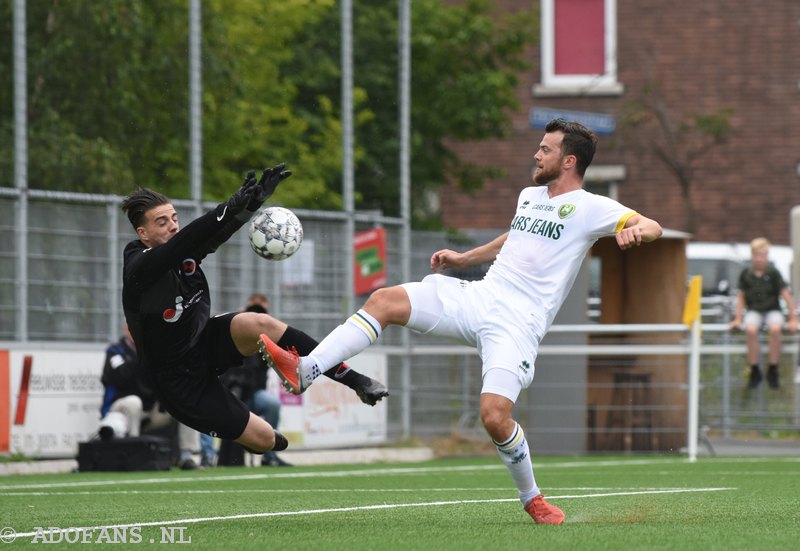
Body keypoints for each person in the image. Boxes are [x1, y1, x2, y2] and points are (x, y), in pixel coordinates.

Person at [260, 119, 663, 525]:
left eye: (545, 149)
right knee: (385, 301)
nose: (536, 155)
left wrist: (635, 233)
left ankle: (532, 498)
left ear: (569, 160)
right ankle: (307, 369)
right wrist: (465, 259)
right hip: (480, 297)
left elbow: (651, 225)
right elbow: (517, 236)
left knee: (494, 416)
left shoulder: (590, 206)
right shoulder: (530, 196)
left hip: (517, 323)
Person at [120, 163, 388, 461]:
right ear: (142, 233)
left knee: (256, 321)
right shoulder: (138, 268)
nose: (172, 225)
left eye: (174, 218)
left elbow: (212, 236)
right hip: (175, 379)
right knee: (266, 440)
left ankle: (356, 381)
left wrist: (252, 204)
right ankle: (243, 431)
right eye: (161, 222)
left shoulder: (181, 251)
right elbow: (187, 240)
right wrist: (224, 209)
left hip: (203, 342)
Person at [215, 292, 388, 467]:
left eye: (261, 310)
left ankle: (269, 457)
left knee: (271, 405)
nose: (257, 313)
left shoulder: (265, 328)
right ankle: (207, 455)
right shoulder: (233, 326)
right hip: (224, 390)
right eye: (253, 308)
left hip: (254, 392)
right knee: (224, 409)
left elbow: (266, 335)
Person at [98, 325, 200, 470]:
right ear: (125, 329)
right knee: (134, 402)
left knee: (183, 405)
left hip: (150, 410)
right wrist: (142, 353)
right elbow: (122, 376)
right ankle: (133, 453)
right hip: (121, 410)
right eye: (131, 329)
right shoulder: (115, 351)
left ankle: (187, 456)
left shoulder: (153, 351)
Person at [728, 237, 797, 389]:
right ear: (752, 255)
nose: (760, 258)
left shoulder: (773, 273)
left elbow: (786, 295)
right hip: (754, 310)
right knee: (751, 330)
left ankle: (773, 367)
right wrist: (738, 318)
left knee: (775, 329)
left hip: (772, 309)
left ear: (767, 256)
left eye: (763, 255)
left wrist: (793, 318)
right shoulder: (746, 273)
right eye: (757, 255)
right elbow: (741, 297)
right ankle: (754, 369)